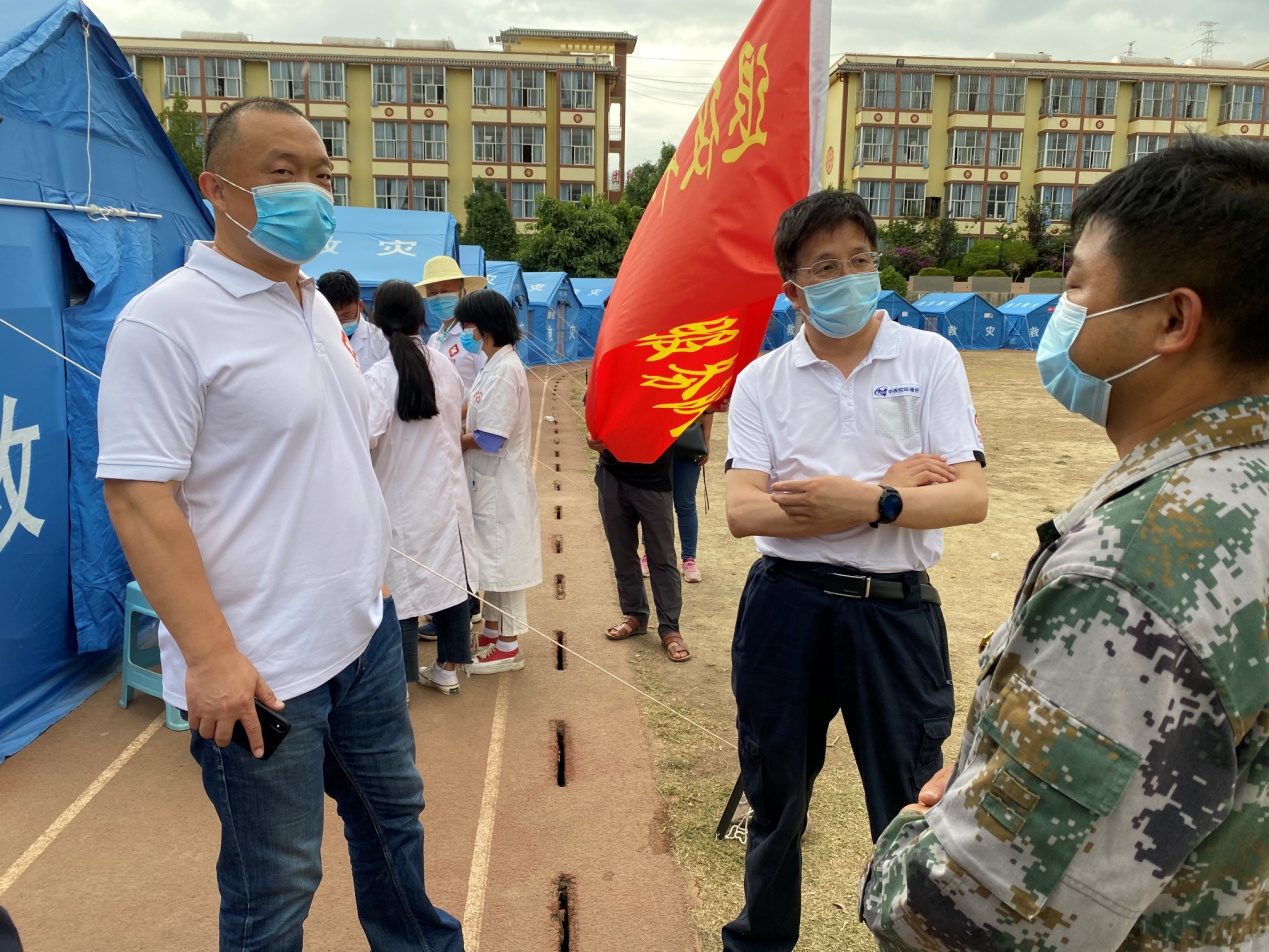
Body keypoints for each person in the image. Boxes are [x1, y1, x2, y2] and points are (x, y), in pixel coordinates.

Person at [861, 136, 1269, 951]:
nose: (1062, 308)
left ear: (1172, 319)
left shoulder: (1140, 566)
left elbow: (971, 921)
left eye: (1076, 284)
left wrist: (913, 837)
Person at [96, 97, 463, 952]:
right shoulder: (164, 321)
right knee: (278, 886)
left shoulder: (311, 307)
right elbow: (139, 498)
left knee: (393, 825)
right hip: (260, 668)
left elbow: (331, 454)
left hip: (361, 634)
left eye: (323, 175)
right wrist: (212, 659)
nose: (313, 193)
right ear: (216, 189)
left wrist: (368, 573)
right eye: (283, 172)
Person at [722, 188, 988, 952]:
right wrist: (885, 494)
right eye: (826, 267)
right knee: (774, 796)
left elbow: (967, 498)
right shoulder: (763, 380)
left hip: (893, 610)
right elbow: (743, 511)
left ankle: (910, 939)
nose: (848, 277)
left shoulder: (928, 358)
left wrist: (862, 500)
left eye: (860, 260)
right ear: (793, 289)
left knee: (907, 806)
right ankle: (760, 942)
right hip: (785, 608)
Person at [364, 279, 478, 696]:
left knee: (402, 589)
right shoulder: (443, 366)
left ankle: (402, 683)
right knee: (449, 578)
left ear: (377, 321)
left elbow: (364, 438)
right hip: (445, 494)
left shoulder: (379, 377)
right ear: (420, 316)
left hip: (401, 500)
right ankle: (448, 668)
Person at [457, 290, 542, 673]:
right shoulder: (491, 364)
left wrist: (454, 441)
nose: (466, 331)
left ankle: (509, 645)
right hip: (487, 482)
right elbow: (474, 408)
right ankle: (492, 632)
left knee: (503, 564)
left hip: (500, 483)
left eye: (469, 324)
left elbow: (492, 437)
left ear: (485, 327)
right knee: (490, 564)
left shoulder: (506, 370)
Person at [590, 431, 692, 663]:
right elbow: (596, 416)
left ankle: (670, 628)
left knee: (662, 557)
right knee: (621, 552)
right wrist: (592, 435)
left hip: (654, 479)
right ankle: (635, 615)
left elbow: (692, 414)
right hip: (611, 473)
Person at [670, 399, 725, 584]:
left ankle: (689, 559)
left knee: (685, 503)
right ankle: (651, 555)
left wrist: (706, 441)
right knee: (656, 503)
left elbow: (708, 407)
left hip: (689, 445)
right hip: (658, 446)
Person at [419, 255, 489, 395]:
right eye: (432, 292)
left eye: (445, 291)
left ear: (463, 293)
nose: (439, 297)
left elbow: (487, 389)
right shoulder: (434, 340)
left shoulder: (475, 338)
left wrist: (460, 409)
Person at [316, 268, 390, 371]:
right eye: (333, 316)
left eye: (346, 315)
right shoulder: (313, 337)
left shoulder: (380, 339)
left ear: (360, 306)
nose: (340, 323)